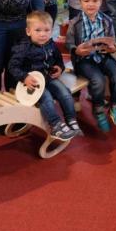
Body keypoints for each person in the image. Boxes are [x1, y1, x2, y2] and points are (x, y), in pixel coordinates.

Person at [7, 11, 80, 140]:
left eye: (47, 30)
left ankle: (71, 119)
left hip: (48, 77)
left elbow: (58, 60)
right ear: (28, 31)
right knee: (46, 97)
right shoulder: (23, 48)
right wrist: (24, 77)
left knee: (65, 92)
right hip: (32, 83)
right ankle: (55, 125)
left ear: (51, 31)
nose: (43, 34)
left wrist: (59, 68)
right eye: (38, 30)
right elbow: (13, 67)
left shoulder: (51, 44)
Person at [65, 0, 116, 132]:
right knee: (97, 80)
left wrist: (113, 48)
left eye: (94, 0)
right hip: (84, 61)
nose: (90, 4)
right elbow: (69, 44)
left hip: (103, 56)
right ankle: (98, 111)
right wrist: (76, 50)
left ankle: (115, 107)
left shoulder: (106, 20)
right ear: (80, 2)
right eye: (86, 0)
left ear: (100, 2)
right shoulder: (75, 23)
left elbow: (113, 41)